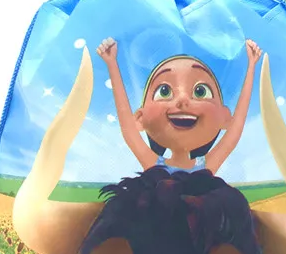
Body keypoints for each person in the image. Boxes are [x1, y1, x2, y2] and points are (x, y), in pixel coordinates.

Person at [96, 37, 262, 174]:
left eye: (200, 92)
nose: (182, 100)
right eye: (164, 91)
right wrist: (112, 63)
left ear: (224, 117)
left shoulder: (204, 168)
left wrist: (251, 65)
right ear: (140, 118)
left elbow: (234, 132)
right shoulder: (156, 166)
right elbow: (129, 130)